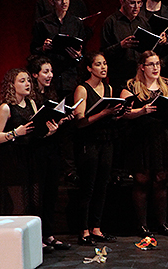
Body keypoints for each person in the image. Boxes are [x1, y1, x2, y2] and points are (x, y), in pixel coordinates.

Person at [0, 67, 63, 253]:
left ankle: (33, 240)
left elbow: (34, 132)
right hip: (13, 160)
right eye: (22, 81)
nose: (27, 84)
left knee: (33, 201)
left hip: (30, 157)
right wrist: (16, 132)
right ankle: (14, 245)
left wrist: (48, 132)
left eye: (28, 81)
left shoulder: (31, 104)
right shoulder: (6, 108)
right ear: (12, 85)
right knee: (18, 203)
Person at [120, 51, 168, 237]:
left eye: (157, 64)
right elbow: (123, 112)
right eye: (151, 64)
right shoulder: (131, 86)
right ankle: (142, 225)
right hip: (141, 137)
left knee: (161, 180)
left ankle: (162, 223)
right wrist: (142, 111)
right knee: (142, 181)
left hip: (162, 135)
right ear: (142, 67)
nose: (155, 68)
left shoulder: (167, 85)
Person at [72, 52, 121, 246]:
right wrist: (104, 113)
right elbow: (80, 121)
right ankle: (83, 230)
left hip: (106, 140)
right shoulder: (82, 89)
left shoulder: (107, 87)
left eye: (105, 64)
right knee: (88, 186)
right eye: (98, 64)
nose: (103, 67)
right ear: (89, 68)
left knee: (102, 185)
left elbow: (108, 115)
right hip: (89, 142)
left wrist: (116, 113)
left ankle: (96, 228)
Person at [25, 56, 73, 251]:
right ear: (35, 74)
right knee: (39, 194)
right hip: (37, 150)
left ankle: (50, 234)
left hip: (52, 148)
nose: (50, 75)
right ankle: (38, 237)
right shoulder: (31, 98)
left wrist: (61, 120)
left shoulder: (51, 94)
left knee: (52, 192)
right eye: (45, 71)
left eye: (51, 71)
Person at [31, 0, 90, 99]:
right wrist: (43, 48)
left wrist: (79, 55)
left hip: (71, 77)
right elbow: (33, 49)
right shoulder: (42, 23)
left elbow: (84, 51)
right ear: (51, 1)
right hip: (51, 78)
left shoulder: (76, 23)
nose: (64, 2)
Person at [101, 0, 150, 92]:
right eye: (132, 3)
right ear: (122, 2)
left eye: (139, 3)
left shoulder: (143, 22)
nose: (136, 7)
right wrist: (121, 46)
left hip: (140, 77)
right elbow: (104, 52)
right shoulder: (111, 22)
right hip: (120, 78)